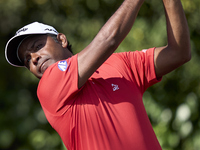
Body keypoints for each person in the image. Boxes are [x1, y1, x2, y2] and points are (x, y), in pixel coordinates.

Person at [5, 0, 191, 149]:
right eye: (27, 60)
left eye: (37, 47)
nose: (35, 59)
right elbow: (109, 40)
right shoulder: (48, 86)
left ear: (61, 39)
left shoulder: (119, 63)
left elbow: (179, 53)